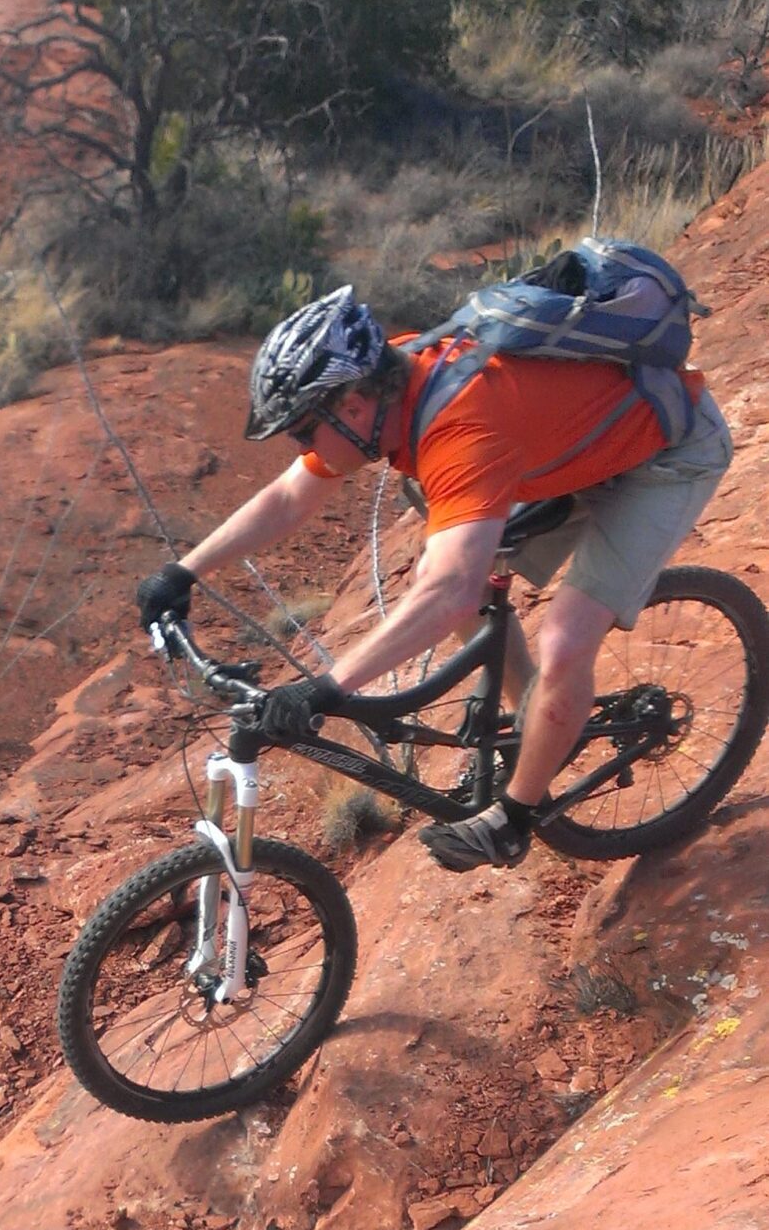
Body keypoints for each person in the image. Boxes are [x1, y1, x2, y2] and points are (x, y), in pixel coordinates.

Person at [135, 286, 734, 870]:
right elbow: (293, 495)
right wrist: (184, 572)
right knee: (447, 573)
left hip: (663, 455)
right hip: (569, 452)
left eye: (299, 429)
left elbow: (447, 594)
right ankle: (541, 720)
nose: (297, 446)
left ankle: (514, 821)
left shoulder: (460, 428)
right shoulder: (393, 382)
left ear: (352, 407)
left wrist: (326, 689)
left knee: (564, 637)